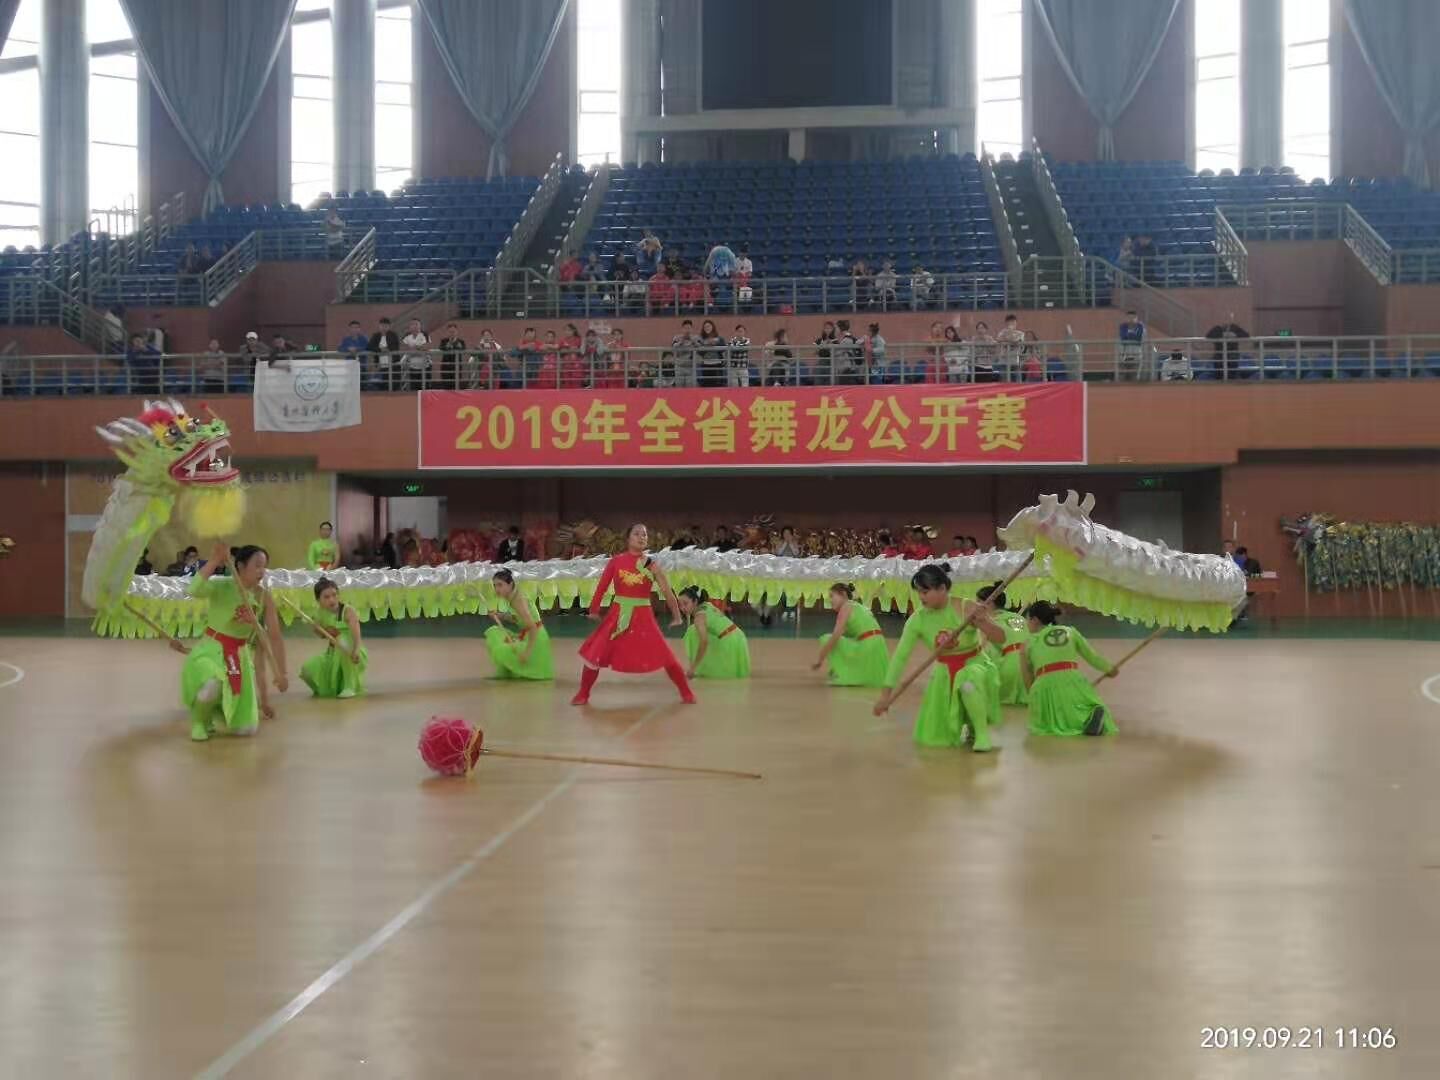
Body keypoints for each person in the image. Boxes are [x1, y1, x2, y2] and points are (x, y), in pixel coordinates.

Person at [873, 563, 1003, 752]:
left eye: (925, 592)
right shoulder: (917, 620)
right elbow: (900, 657)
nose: (921, 597)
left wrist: (983, 621)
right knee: (936, 737)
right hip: (944, 672)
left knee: (968, 680)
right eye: (919, 592)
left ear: (942, 588)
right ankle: (968, 724)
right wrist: (885, 695)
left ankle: (981, 733)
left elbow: (1001, 638)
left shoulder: (967, 608)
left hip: (974, 665)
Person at [573, 523, 694, 705]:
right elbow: (602, 587)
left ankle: (686, 692)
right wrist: (594, 610)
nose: (641, 537)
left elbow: (667, 592)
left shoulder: (652, 565)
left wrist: (677, 616)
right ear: (628, 538)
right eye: (637, 534)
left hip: (644, 617)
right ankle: (583, 693)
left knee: (665, 655)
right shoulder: (616, 561)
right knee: (595, 654)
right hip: (617, 615)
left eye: (644, 534)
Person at [180, 543, 288, 741]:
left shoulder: (263, 596)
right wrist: (214, 560)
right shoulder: (222, 586)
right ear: (240, 566)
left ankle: (216, 710)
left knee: (245, 729)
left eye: (264, 566)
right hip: (212, 650)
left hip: (238, 655)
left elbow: (275, 635)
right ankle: (200, 721)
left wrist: (282, 672)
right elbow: (193, 589)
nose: (262, 571)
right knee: (212, 684)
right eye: (257, 565)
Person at [1020, 600, 1116, 736]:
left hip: (1044, 684)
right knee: (1085, 702)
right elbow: (1092, 657)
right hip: (1073, 679)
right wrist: (1109, 669)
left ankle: (1076, 721)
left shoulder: (1028, 642)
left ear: (1035, 620)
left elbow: (1027, 676)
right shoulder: (1071, 632)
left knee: (1049, 719)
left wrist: (1033, 698)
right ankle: (1087, 716)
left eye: (1027, 620)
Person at [299, 577, 367, 699]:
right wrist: (317, 629)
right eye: (326, 597)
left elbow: (357, 635)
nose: (332, 599)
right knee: (307, 670)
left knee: (342, 639)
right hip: (332, 654)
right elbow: (322, 635)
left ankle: (349, 686)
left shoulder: (348, 611)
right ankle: (323, 689)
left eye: (334, 595)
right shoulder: (319, 613)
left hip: (351, 653)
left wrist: (356, 651)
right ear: (318, 600)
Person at [483, 569, 553, 681]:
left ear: (510, 584)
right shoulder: (513, 596)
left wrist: (527, 653)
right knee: (495, 633)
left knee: (501, 649)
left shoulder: (518, 600)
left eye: (500, 585)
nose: (497, 589)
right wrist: (500, 615)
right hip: (529, 635)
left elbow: (533, 627)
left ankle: (510, 671)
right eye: (495, 585)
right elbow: (518, 619)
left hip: (535, 640)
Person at [813, 583, 888, 687]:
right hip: (880, 649)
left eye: (832, 596)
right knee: (849, 638)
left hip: (867, 648)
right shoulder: (858, 606)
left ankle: (844, 673)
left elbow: (835, 637)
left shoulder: (846, 607)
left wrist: (820, 659)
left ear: (843, 594)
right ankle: (844, 670)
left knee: (826, 639)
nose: (830, 600)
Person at [678, 586, 750, 680]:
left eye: (685, 603)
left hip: (730, 642)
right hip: (738, 637)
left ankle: (698, 668)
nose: (682, 608)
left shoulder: (699, 618)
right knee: (693, 630)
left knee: (692, 633)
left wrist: (693, 667)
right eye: (680, 605)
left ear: (695, 602)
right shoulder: (707, 605)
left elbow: (704, 642)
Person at [977, 582, 1028, 706]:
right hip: (1029, 666)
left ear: (989, 603)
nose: (975, 606)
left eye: (978, 602)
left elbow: (984, 653)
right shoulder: (1020, 618)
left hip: (1009, 668)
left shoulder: (988, 624)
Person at [1206, 315, 1250, 379]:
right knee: (1219, 375)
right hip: (1219, 357)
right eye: (1224, 319)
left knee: (1232, 375)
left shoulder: (1234, 328)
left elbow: (1246, 335)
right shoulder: (1217, 329)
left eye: (1227, 319)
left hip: (1232, 357)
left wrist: (1235, 335)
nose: (1225, 322)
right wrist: (1222, 335)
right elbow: (1208, 335)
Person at [368, 317, 401, 387]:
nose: (384, 328)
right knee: (382, 386)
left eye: (386, 326)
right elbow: (370, 347)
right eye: (382, 326)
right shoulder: (375, 336)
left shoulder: (393, 335)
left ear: (389, 326)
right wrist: (380, 350)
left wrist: (387, 349)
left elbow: (395, 347)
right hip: (380, 366)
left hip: (393, 365)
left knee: (394, 386)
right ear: (379, 326)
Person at [400, 318, 431, 389]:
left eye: (416, 324)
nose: (414, 326)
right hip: (412, 367)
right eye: (412, 324)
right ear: (410, 326)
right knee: (414, 388)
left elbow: (427, 347)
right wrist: (418, 348)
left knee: (425, 388)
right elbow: (403, 347)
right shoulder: (406, 335)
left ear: (420, 326)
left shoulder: (425, 334)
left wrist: (414, 348)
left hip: (425, 366)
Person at [1118, 310, 1146, 380]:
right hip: (1124, 355)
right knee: (1122, 377)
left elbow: (1139, 337)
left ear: (1137, 318)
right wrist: (1133, 335)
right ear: (1126, 318)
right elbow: (1123, 337)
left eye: (1133, 317)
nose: (1131, 319)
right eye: (1129, 317)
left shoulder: (1140, 326)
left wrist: (1128, 335)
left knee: (1135, 377)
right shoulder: (1123, 326)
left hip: (1136, 355)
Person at [437, 322, 467, 389]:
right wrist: (447, 346)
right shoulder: (444, 341)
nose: (452, 333)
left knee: (456, 385)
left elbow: (464, 350)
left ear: (457, 332)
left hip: (457, 366)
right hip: (446, 366)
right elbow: (441, 348)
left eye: (453, 331)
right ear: (447, 332)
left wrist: (459, 347)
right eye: (450, 332)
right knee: (446, 386)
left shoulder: (461, 341)